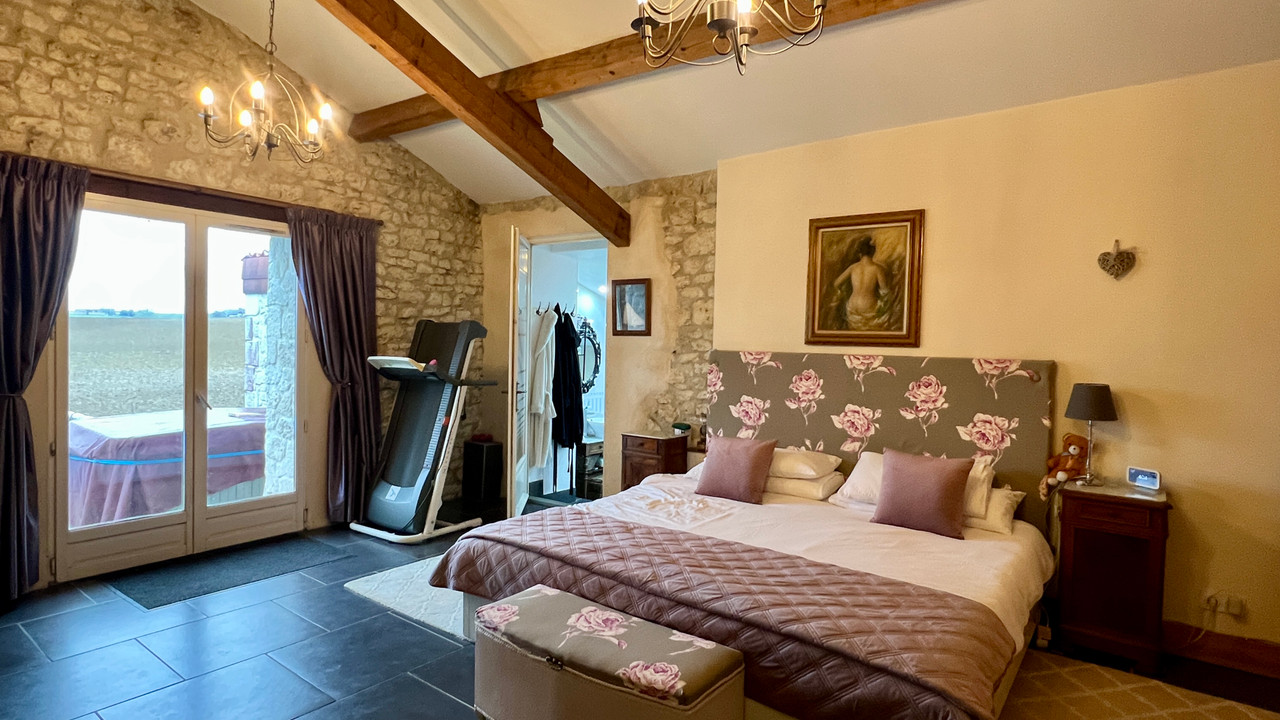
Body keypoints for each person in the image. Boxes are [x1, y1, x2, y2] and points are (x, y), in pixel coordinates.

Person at [832, 235, 889, 328]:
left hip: (852, 305)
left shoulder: (853, 267)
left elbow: (836, 283)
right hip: (868, 306)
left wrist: (842, 293)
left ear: (860, 253)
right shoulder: (877, 269)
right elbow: (885, 291)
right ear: (873, 252)